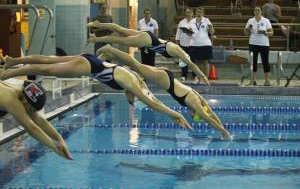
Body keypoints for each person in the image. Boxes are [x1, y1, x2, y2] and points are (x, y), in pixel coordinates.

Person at [0, 54, 192, 130]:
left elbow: (149, 98)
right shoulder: (132, 84)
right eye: (132, 100)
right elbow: (152, 102)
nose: (131, 100)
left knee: (48, 61)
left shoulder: (132, 81)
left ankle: (12, 61)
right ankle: (8, 72)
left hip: (91, 62)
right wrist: (174, 114)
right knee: (47, 69)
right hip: (90, 67)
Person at [96, 44, 231, 138]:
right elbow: (208, 118)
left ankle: (110, 56)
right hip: (165, 81)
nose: (191, 113)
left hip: (167, 76)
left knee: (136, 67)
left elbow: (211, 113)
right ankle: (110, 49)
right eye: (194, 114)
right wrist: (224, 133)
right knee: (135, 64)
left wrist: (223, 129)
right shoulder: (194, 103)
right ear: (196, 111)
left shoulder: (199, 100)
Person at [86, 22, 210, 85]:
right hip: (149, 40)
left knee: (121, 30)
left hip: (149, 39)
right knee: (120, 39)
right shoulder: (180, 52)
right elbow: (192, 65)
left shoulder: (179, 52)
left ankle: (97, 25)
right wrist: (203, 76)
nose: (181, 62)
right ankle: (95, 39)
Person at [0, 79, 72, 160]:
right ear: (25, 102)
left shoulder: (22, 94)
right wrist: (55, 148)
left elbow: (38, 119)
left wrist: (60, 140)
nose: (31, 112)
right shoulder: (11, 99)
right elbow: (32, 129)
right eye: (31, 109)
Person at [117, 161, 300, 181]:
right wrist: (126, 165)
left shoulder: (209, 172)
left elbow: (247, 172)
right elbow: (150, 167)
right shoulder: (210, 172)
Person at [244, 6, 273, 86]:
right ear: (253, 11)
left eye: (258, 10)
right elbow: (246, 33)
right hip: (253, 43)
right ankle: (254, 80)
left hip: (264, 44)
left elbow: (271, 33)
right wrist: (247, 29)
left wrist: (265, 33)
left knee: (265, 62)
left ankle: (267, 80)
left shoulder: (266, 20)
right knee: (253, 63)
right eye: (255, 10)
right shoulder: (250, 20)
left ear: (261, 11)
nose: (257, 11)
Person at [189, 7, 214, 84]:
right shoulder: (192, 21)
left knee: (205, 62)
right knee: (196, 62)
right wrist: (188, 32)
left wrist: (210, 28)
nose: (199, 13)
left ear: (203, 13)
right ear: (195, 12)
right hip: (194, 44)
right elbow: (189, 33)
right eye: (197, 12)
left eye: (201, 12)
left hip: (205, 44)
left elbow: (212, 32)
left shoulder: (206, 20)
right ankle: (198, 78)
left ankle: (205, 78)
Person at [175, 7, 194, 82]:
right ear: (185, 13)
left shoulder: (195, 22)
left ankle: (194, 76)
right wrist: (177, 42)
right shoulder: (182, 22)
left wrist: (190, 32)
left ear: (192, 13)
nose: (188, 13)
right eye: (187, 12)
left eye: (190, 12)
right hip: (183, 44)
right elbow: (178, 33)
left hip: (192, 44)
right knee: (183, 60)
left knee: (192, 61)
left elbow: (197, 33)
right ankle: (183, 76)